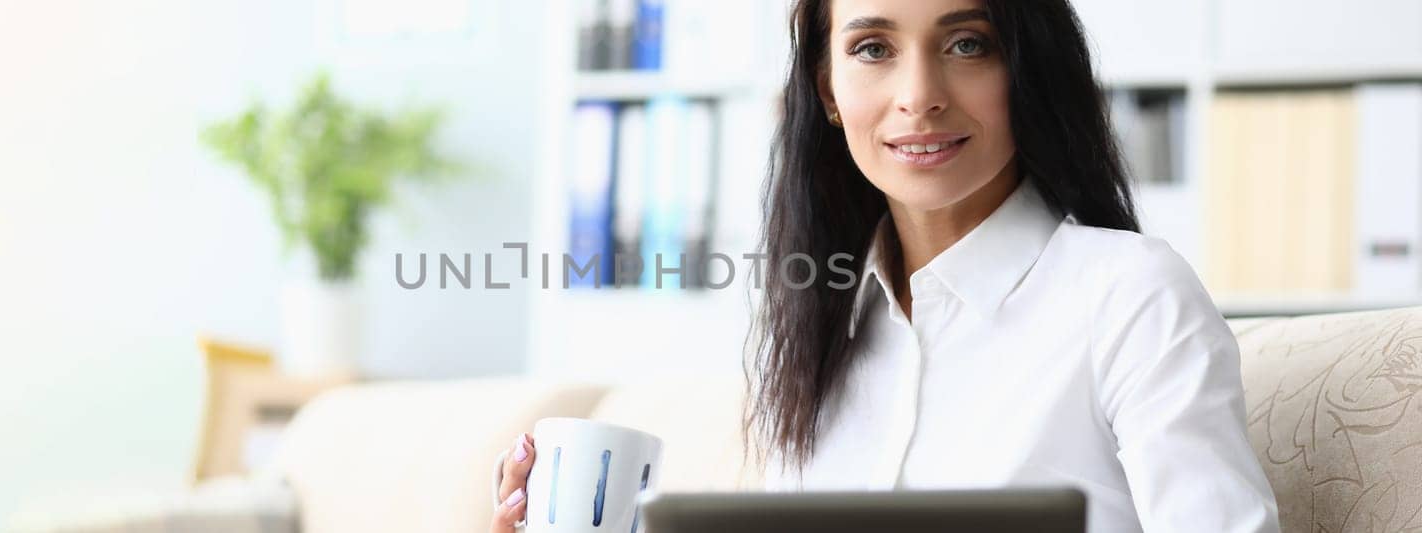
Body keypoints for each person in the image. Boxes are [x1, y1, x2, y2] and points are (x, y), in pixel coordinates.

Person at [492, 0, 1281, 531]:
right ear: (828, 89)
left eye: (967, 44)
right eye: (873, 48)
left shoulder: (1130, 293)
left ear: (1026, 68)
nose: (919, 96)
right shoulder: (819, 326)